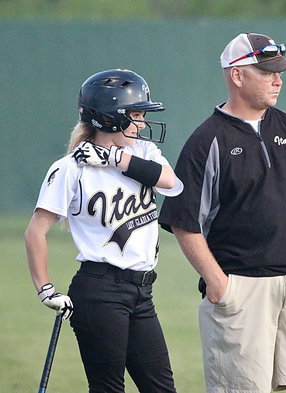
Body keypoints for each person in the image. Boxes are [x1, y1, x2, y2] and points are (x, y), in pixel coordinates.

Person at [159, 33, 286, 393]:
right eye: (267, 72)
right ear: (237, 75)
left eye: (280, 72)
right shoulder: (207, 140)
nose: (278, 79)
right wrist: (217, 281)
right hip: (240, 287)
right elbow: (184, 222)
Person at [25, 68, 183, 393]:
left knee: (162, 388)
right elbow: (35, 232)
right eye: (136, 114)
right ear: (110, 118)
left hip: (142, 291)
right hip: (99, 290)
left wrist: (112, 157)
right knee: (108, 389)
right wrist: (46, 290)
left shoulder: (143, 154)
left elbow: (171, 182)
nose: (142, 123)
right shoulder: (70, 169)